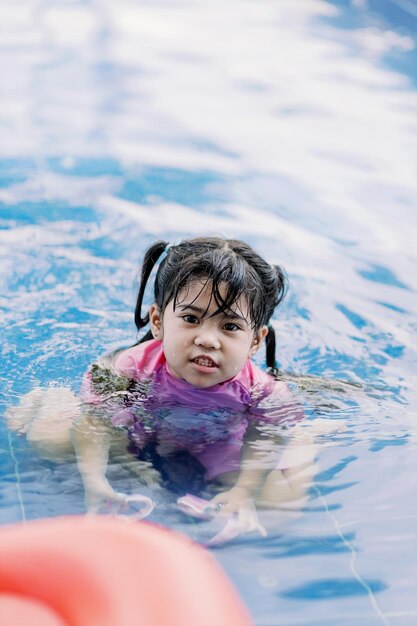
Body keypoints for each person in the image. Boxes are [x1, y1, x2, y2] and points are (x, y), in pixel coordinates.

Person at [7, 237, 319, 539]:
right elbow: (95, 423)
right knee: (50, 436)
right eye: (191, 318)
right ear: (157, 321)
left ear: (255, 341)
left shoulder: (264, 393)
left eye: (230, 326)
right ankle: (48, 400)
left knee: (283, 505)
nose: (208, 339)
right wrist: (95, 480)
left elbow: (264, 442)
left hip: (219, 446)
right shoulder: (129, 369)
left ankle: (306, 440)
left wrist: (242, 492)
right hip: (138, 434)